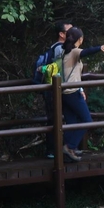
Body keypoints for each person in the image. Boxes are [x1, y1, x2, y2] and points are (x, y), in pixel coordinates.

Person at [59, 27, 104, 162]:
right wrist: (100, 48)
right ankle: (69, 147)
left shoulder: (64, 52)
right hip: (72, 93)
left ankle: (69, 151)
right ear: (80, 39)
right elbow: (87, 52)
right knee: (87, 120)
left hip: (63, 93)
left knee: (71, 122)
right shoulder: (75, 52)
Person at [33, 20, 71, 158]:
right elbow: (60, 69)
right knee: (55, 119)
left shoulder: (55, 47)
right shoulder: (60, 48)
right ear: (61, 34)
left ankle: (57, 149)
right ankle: (53, 151)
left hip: (53, 88)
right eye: (69, 31)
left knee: (56, 118)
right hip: (53, 89)